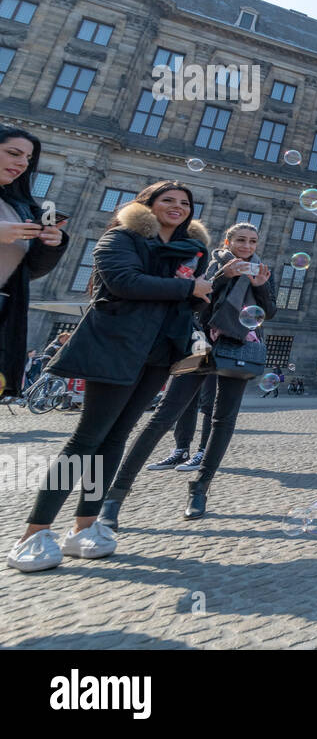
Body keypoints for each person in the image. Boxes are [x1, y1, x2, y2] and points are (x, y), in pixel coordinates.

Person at [6, 181, 212, 572]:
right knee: (86, 437)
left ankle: (84, 527)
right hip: (116, 345)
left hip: (157, 352)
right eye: (167, 200)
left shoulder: (192, 251)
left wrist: (204, 294)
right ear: (146, 205)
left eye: (185, 202)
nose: (178, 206)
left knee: (116, 437)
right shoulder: (121, 237)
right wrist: (188, 287)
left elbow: (185, 300)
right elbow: (124, 282)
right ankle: (33, 532)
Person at [100, 222, 277, 525]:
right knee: (164, 416)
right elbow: (194, 302)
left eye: (252, 241)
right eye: (241, 240)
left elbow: (268, 313)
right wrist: (224, 277)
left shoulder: (260, 272)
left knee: (223, 421)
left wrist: (260, 287)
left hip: (239, 347)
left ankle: (200, 488)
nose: (247, 246)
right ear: (228, 241)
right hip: (199, 344)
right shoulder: (209, 264)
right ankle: (116, 495)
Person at [0, 127, 70, 399]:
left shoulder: (19, 206)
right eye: (13, 153)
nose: (22, 163)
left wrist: (49, 244)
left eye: (28, 159)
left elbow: (29, 272)